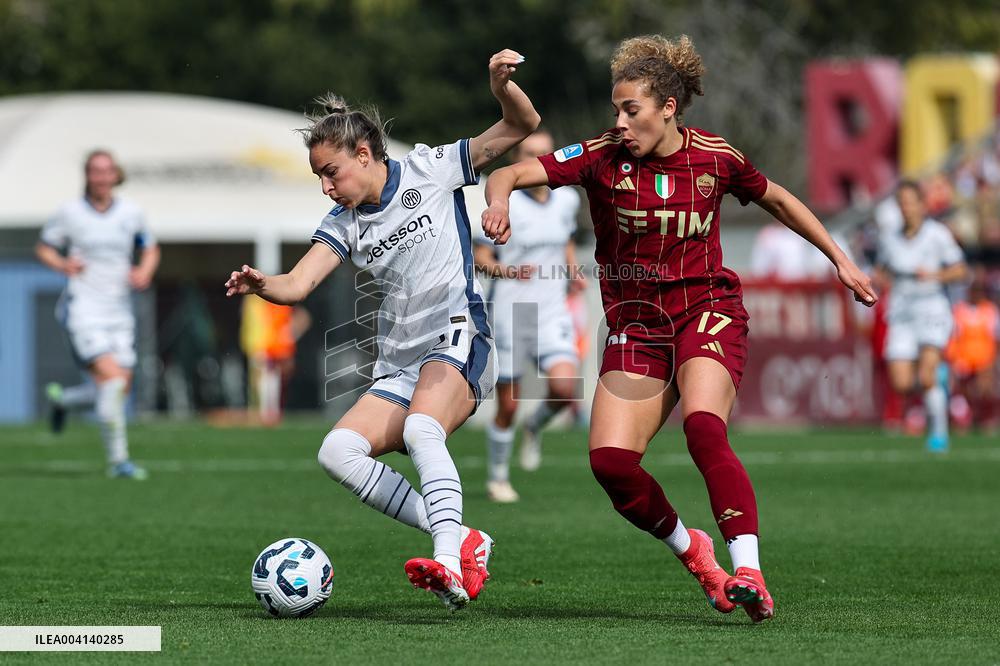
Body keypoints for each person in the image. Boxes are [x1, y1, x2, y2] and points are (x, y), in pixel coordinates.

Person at [482, 34, 877, 623]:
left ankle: (749, 570)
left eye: (630, 110)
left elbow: (779, 200)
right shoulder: (600, 155)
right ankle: (696, 552)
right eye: (615, 110)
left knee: (703, 428)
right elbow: (509, 174)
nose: (619, 122)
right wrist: (499, 204)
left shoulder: (715, 156)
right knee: (611, 464)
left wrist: (840, 259)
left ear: (668, 108)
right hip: (637, 327)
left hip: (705, 310)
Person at [225, 48, 540, 610]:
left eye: (330, 172)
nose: (326, 187)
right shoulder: (343, 223)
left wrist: (500, 87)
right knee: (338, 451)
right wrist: (261, 283)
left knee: (422, 429)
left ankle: (448, 563)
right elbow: (297, 284)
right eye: (319, 177)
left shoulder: (430, 169)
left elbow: (522, 125)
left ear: (364, 154)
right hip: (401, 361)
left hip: (460, 336)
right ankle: (461, 537)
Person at [473, 129, 584, 503]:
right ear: (516, 158)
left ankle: (535, 427)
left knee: (565, 388)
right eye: (527, 153)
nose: (535, 161)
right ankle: (498, 478)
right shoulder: (503, 203)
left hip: (553, 310)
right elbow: (480, 256)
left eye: (543, 153)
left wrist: (573, 271)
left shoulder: (566, 198)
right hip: (512, 312)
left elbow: (565, 239)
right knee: (508, 405)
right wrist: (507, 271)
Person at [37, 149, 160, 480]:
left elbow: (150, 248)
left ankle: (64, 401)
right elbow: (44, 248)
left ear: (115, 175)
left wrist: (144, 271)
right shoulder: (70, 212)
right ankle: (120, 461)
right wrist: (62, 264)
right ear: (87, 175)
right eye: (95, 171)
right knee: (114, 381)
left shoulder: (131, 213)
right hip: (84, 309)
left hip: (119, 311)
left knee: (116, 388)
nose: (101, 177)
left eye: (106, 171)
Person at [876, 181, 968, 451]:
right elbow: (883, 269)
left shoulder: (937, 234)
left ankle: (938, 434)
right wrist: (877, 279)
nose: (905, 208)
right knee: (901, 382)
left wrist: (934, 275)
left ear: (921, 205)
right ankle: (938, 381)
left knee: (927, 376)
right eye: (901, 203)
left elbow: (961, 270)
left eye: (910, 202)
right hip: (902, 311)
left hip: (931, 306)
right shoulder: (890, 238)